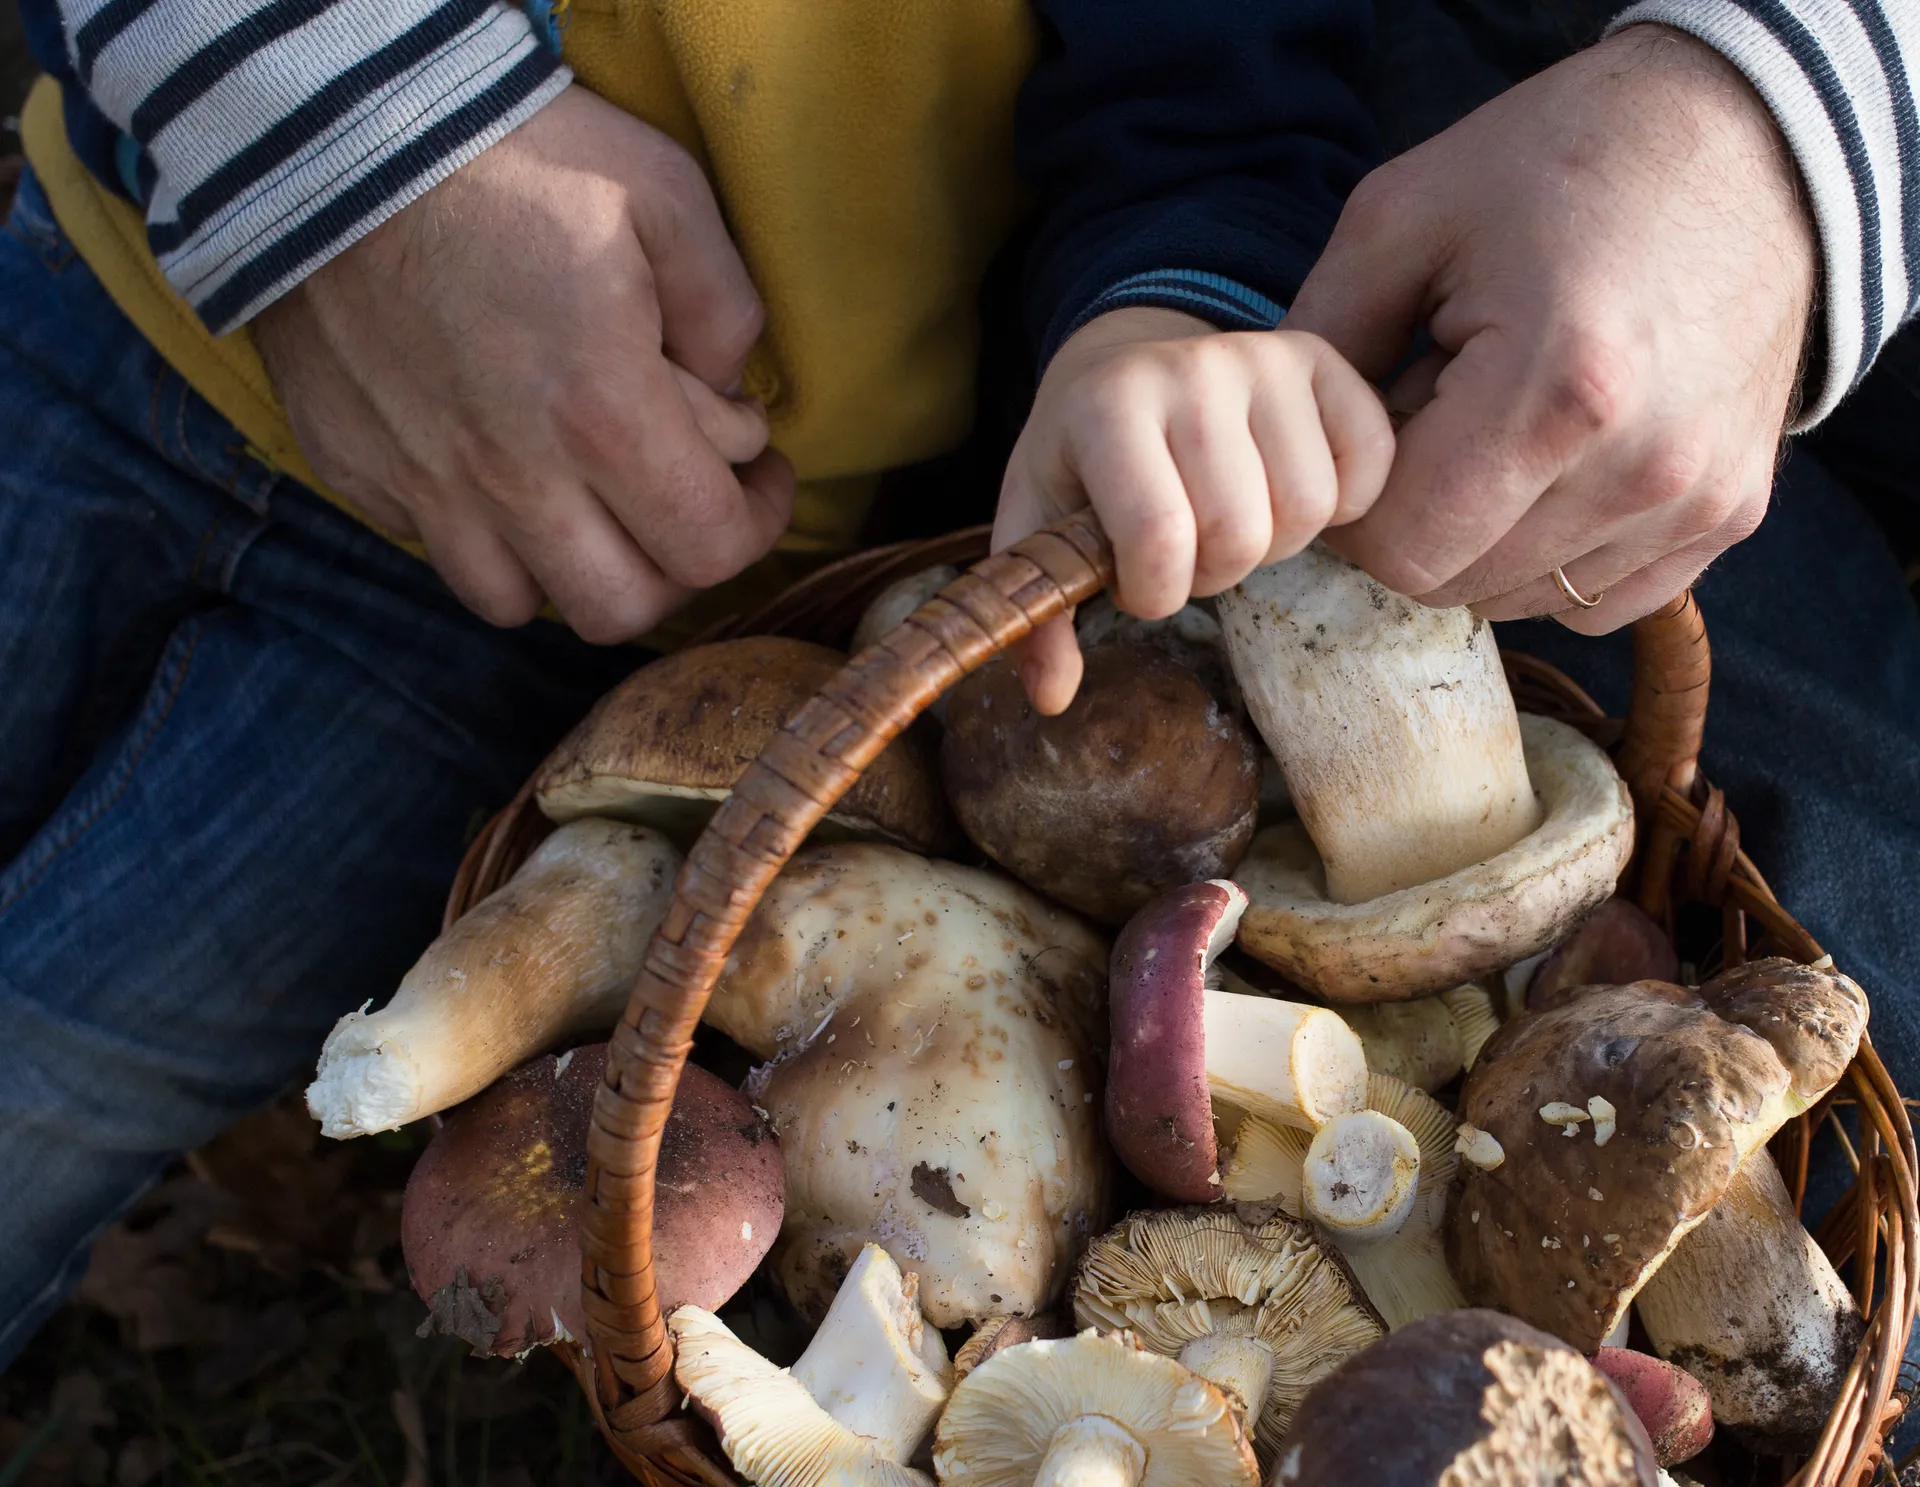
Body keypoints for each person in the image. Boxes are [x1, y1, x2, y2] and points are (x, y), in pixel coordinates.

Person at [1, 0, 1915, 1377]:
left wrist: (1178, 299)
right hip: (127, 280)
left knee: (56, 1060)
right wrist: (344, 133)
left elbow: (1199, 71)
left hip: (544, 593)